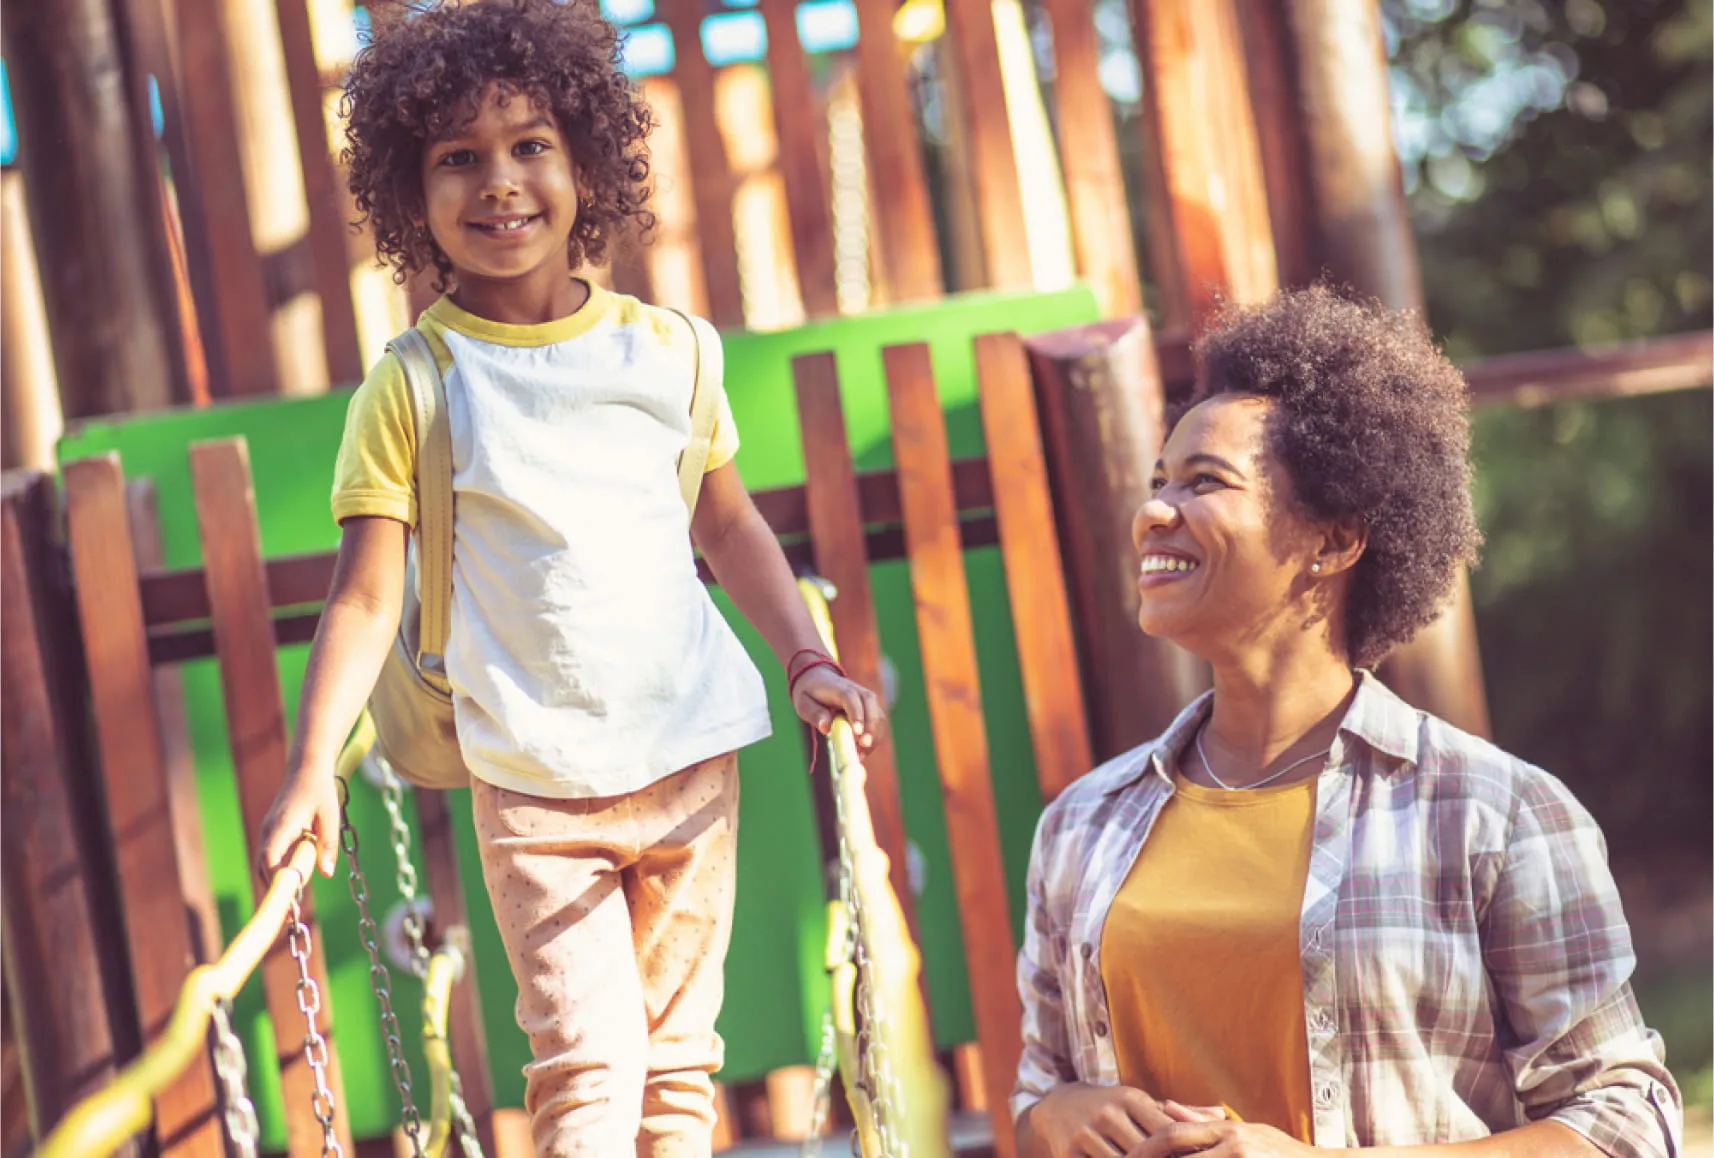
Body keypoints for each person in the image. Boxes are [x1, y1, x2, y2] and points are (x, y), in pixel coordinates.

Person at [255, 3, 885, 1154]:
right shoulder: (416, 384)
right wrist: (310, 772)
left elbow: (730, 525)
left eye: (530, 144)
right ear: (411, 197)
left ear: (588, 162)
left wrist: (804, 656)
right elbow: (363, 595)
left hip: (690, 760)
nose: (500, 184)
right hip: (536, 782)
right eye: (458, 158)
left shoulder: (669, 351)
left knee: (681, 1069)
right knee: (590, 1065)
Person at [1013, 287, 1682, 1158]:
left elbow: (1628, 1124)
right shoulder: (1083, 823)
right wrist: (1058, 1116)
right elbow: (1037, 1091)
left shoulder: (1495, 813)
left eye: (1205, 482)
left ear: (1333, 541)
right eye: (1157, 483)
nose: (1153, 512)